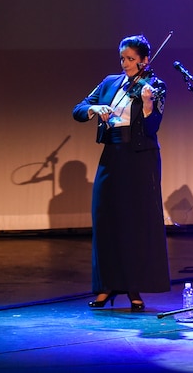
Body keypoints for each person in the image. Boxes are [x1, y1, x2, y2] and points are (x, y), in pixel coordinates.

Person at [72, 35, 170, 312]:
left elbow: (152, 128)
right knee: (106, 219)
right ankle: (107, 285)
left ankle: (133, 287)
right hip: (112, 155)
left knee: (135, 223)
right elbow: (77, 110)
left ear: (144, 60)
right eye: (123, 59)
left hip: (139, 158)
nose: (126, 64)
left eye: (130, 59)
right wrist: (94, 108)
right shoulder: (109, 83)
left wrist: (148, 105)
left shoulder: (156, 86)